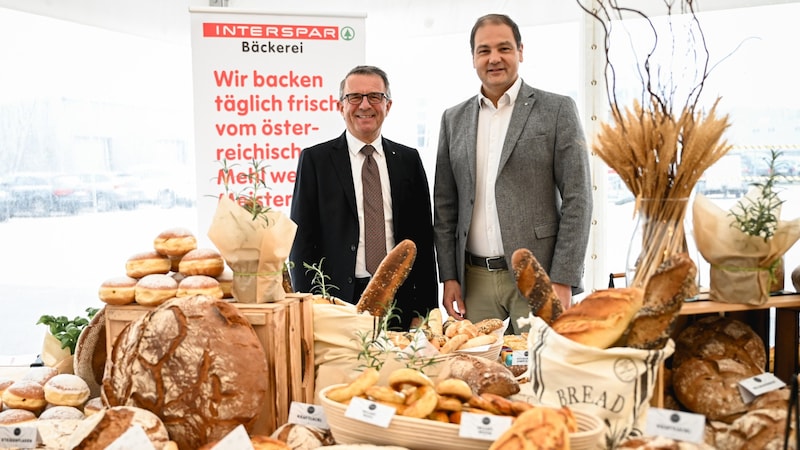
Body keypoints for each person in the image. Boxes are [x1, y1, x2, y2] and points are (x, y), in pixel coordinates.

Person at [433, 14, 593, 334]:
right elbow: (445, 205)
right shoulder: (454, 119)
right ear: (474, 58)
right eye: (484, 50)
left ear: (520, 51)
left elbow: (579, 198)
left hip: (539, 276)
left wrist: (563, 278)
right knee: (477, 374)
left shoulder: (557, 110)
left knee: (540, 371)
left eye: (504, 48)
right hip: (474, 280)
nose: (494, 58)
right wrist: (449, 277)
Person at [290, 65, 438, 330]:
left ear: (388, 105)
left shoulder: (408, 160)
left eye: (375, 97)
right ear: (340, 106)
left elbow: (423, 242)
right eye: (354, 97)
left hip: (399, 300)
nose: (365, 105)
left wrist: (424, 310)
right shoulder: (316, 161)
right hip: (336, 302)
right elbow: (301, 243)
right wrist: (309, 308)